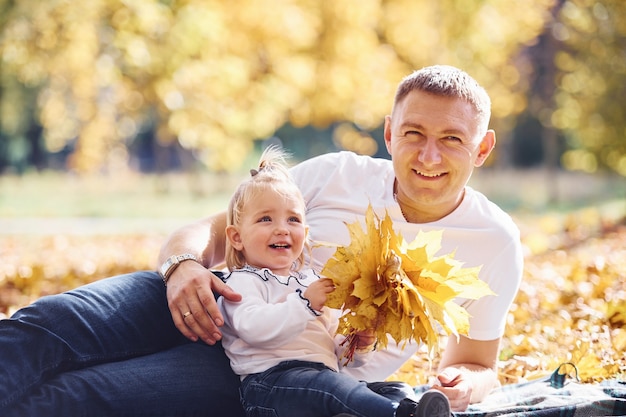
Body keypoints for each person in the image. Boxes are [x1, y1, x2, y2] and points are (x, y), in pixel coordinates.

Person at [0, 64, 524, 416]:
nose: (428, 156)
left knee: (75, 396)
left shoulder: (493, 242)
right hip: (212, 293)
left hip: (269, 368)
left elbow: (478, 363)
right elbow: (207, 229)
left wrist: (461, 387)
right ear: (389, 132)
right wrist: (182, 265)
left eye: (451, 139)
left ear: (482, 148)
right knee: (46, 325)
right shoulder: (334, 174)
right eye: (414, 134)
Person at [216, 146, 451, 417]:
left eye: (293, 219)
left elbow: (336, 350)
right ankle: (401, 415)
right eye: (265, 219)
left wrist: (357, 344)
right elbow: (253, 327)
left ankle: (403, 406)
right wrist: (305, 303)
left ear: (304, 232)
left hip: (323, 377)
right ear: (236, 237)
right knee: (332, 388)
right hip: (271, 386)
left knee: (390, 388)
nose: (282, 228)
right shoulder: (242, 281)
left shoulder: (309, 281)